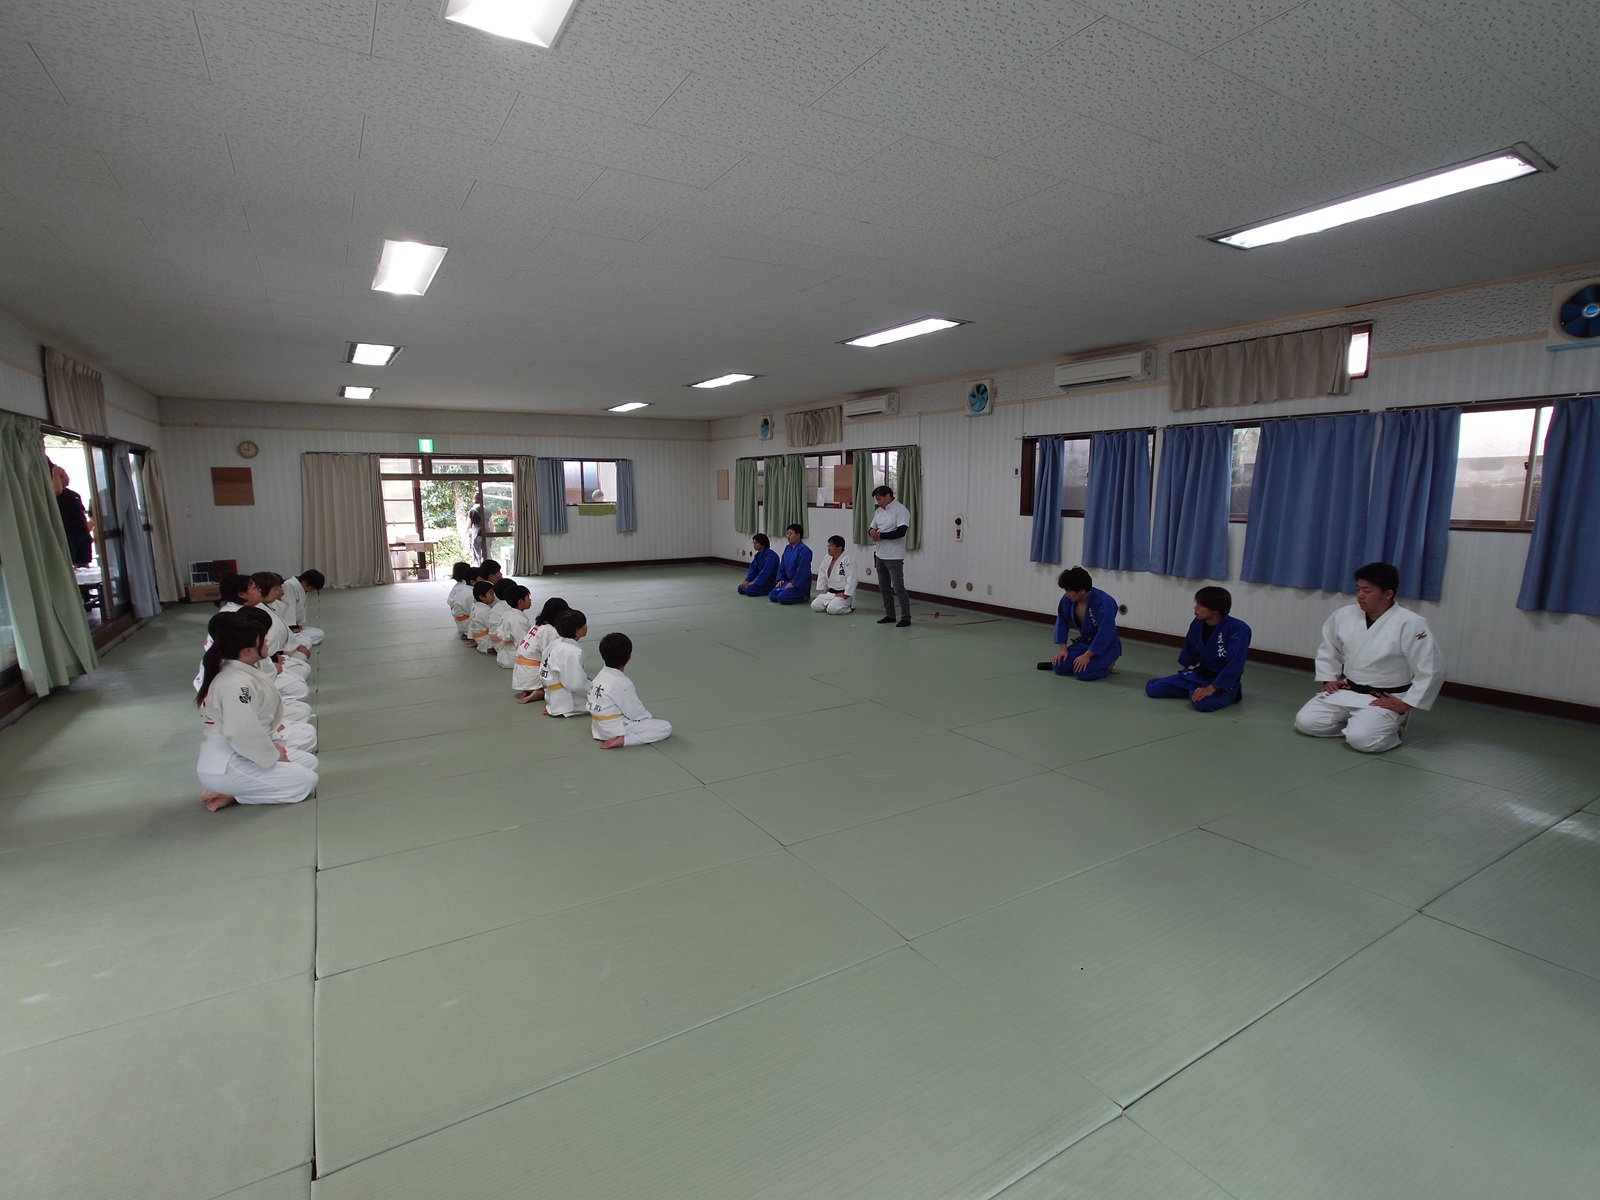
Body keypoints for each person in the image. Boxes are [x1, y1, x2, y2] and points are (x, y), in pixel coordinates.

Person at [1294, 562, 1443, 753]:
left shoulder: (1410, 623)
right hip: (1348, 689)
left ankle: (1390, 728)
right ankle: (1359, 725)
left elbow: (1432, 667)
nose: (1360, 595)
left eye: (1367, 590)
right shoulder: (1344, 615)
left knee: (1362, 741)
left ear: (1388, 594)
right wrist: (1329, 677)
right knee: (1306, 723)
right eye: (1358, 589)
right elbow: (1329, 648)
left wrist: (1407, 702)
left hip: (1386, 696)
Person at [195, 612, 318, 811]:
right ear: (247, 650)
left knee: (308, 762)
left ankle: (235, 789)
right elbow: (241, 733)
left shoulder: (238, 670)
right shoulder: (234, 683)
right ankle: (233, 793)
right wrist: (273, 754)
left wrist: (273, 748)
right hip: (227, 765)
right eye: (263, 639)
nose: (268, 641)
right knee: (306, 781)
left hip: (241, 754)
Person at [1145, 586, 1251, 712]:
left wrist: (1212, 688)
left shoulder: (1238, 628)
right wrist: (1186, 675)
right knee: (1152, 688)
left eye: (1201, 605)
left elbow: (1236, 663)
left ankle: (1231, 693)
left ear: (1215, 609)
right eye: (1197, 603)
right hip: (1199, 676)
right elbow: (1190, 649)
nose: (1196, 608)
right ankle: (1195, 690)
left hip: (1221, 681)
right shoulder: (1198, 622)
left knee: (1202, 704)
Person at [588, 632, 672, 749]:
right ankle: (624, 740)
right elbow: (634, 711)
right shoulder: (622, 682)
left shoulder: (601, 675)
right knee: (665, 727)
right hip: (614, 728)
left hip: (598, 726)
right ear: (629, 656)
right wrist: (648, 718)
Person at [1038, 566, 1122, 680]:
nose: (1066, 594)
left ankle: (1107, 665)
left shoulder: (1104, 601)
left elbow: (1106, 632)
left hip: (1107, 645)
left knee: (1083, 673)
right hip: (1084, 643)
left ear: (1082, 591)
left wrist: (1087, 656)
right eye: (1066, 590)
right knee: (1059, 666)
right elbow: (1062, 621)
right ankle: (1092, 663)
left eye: (1069, 591)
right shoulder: (1068, 599)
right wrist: (1063, 648)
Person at [868, 485, 912, 626]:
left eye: (879, 499)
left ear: (888, 496)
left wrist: (881, 536)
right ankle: (890, 615)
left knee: (898, 587)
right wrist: (871, 532)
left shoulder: (901, 510)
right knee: (884, 587)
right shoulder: (879, 511)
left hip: (894, 556)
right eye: (876, 499)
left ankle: (906, 617)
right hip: (880, 554)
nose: (878, 502)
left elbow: (901, 532)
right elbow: (871, 528)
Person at [514, 597, 568, 703]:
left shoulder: (539, 625)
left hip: (523, 671)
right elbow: (549, 657)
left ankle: (531, 689)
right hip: (532, 672)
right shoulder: (550, 631)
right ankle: (539, 691)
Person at [540, 609, 590, 717]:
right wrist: (593, 688)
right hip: (565, 698)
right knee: (604, 702)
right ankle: (558, 708)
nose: (587, 626)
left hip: (552, 693)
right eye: (584, 624)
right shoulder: (572, 651)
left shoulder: (556, 643)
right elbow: (576, 684)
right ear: (577, 630)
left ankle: (554, 706)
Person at [51, 463, 94, 568]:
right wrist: (55, 472)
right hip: (69, 535)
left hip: (82, 534)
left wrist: (87, 533)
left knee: (84, 563)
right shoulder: (55, 495)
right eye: (62, 476)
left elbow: (82, 515)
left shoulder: (75, 495)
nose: (66, 478)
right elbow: (57, 490)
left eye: (66, 475)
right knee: (69, 564)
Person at [273, 569, 324, 647]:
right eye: (312, 588)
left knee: (319, 633)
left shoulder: (300, 587)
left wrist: (298, 624)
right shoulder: (290, 585)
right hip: (286, 626)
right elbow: (289, 607)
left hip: (293, 626)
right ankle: (291, 641)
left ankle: (295, 640)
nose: (311, 591)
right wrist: (292, 626)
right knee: (308, 641)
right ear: (305, 582)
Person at [811, 535, 857, 614]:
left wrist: (846, 594)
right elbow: (822, 573)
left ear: (839, 548)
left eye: (831, 546)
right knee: (815, 605)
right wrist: (823, 588)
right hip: (830, 593)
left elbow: (853, 578)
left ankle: (848, 607)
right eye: (828, 546)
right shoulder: (827, 558)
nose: (829, 548)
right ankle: (831, 604)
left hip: (843, 593)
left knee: (832, 609)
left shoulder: (848, 559)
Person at [770, 524, 813, 605]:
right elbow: (782, 565)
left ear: (798, 535)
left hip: (800, 583)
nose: (788, 536)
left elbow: (803, 570)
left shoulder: (804, 550)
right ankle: (790, 592)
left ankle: (804, 595)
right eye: (787, 533)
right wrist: (780, 579)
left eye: (791, 533)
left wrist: (794, 584)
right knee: (772, 595)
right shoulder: (787, 548)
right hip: (788, 581)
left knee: (782, 598)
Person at [494, 583, 533, 668]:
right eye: (528, 598)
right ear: (520, 602)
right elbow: (521, 642)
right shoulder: (518, 620)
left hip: (505, 653)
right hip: (513, 657)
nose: (530, 600)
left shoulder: (507, 614)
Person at [447, 563, 477, 639]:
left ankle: (464, 630)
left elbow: (449, 601)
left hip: (458, 616)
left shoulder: (458, 585)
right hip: (465, 618)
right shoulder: (466, 587)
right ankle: (467, 632)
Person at [466, 579, 497, 652]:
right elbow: (491, 627)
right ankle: (489, 648)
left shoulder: (476, 606)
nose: (493, 596)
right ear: (481, 597)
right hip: (486, 641)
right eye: (491, 594)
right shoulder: (485, 610)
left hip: (478, 638)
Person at [468, 492, 488, 562]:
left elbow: (468, 524)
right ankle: (486, 565)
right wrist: (493, 535)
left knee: (477, 553)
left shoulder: (472, 510)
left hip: (477, 534)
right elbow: (492, 523)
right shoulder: (486, 510)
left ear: (474, 499)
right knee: (486, 553)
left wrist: (464, 535)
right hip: (486, 533)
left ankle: (479, 565)